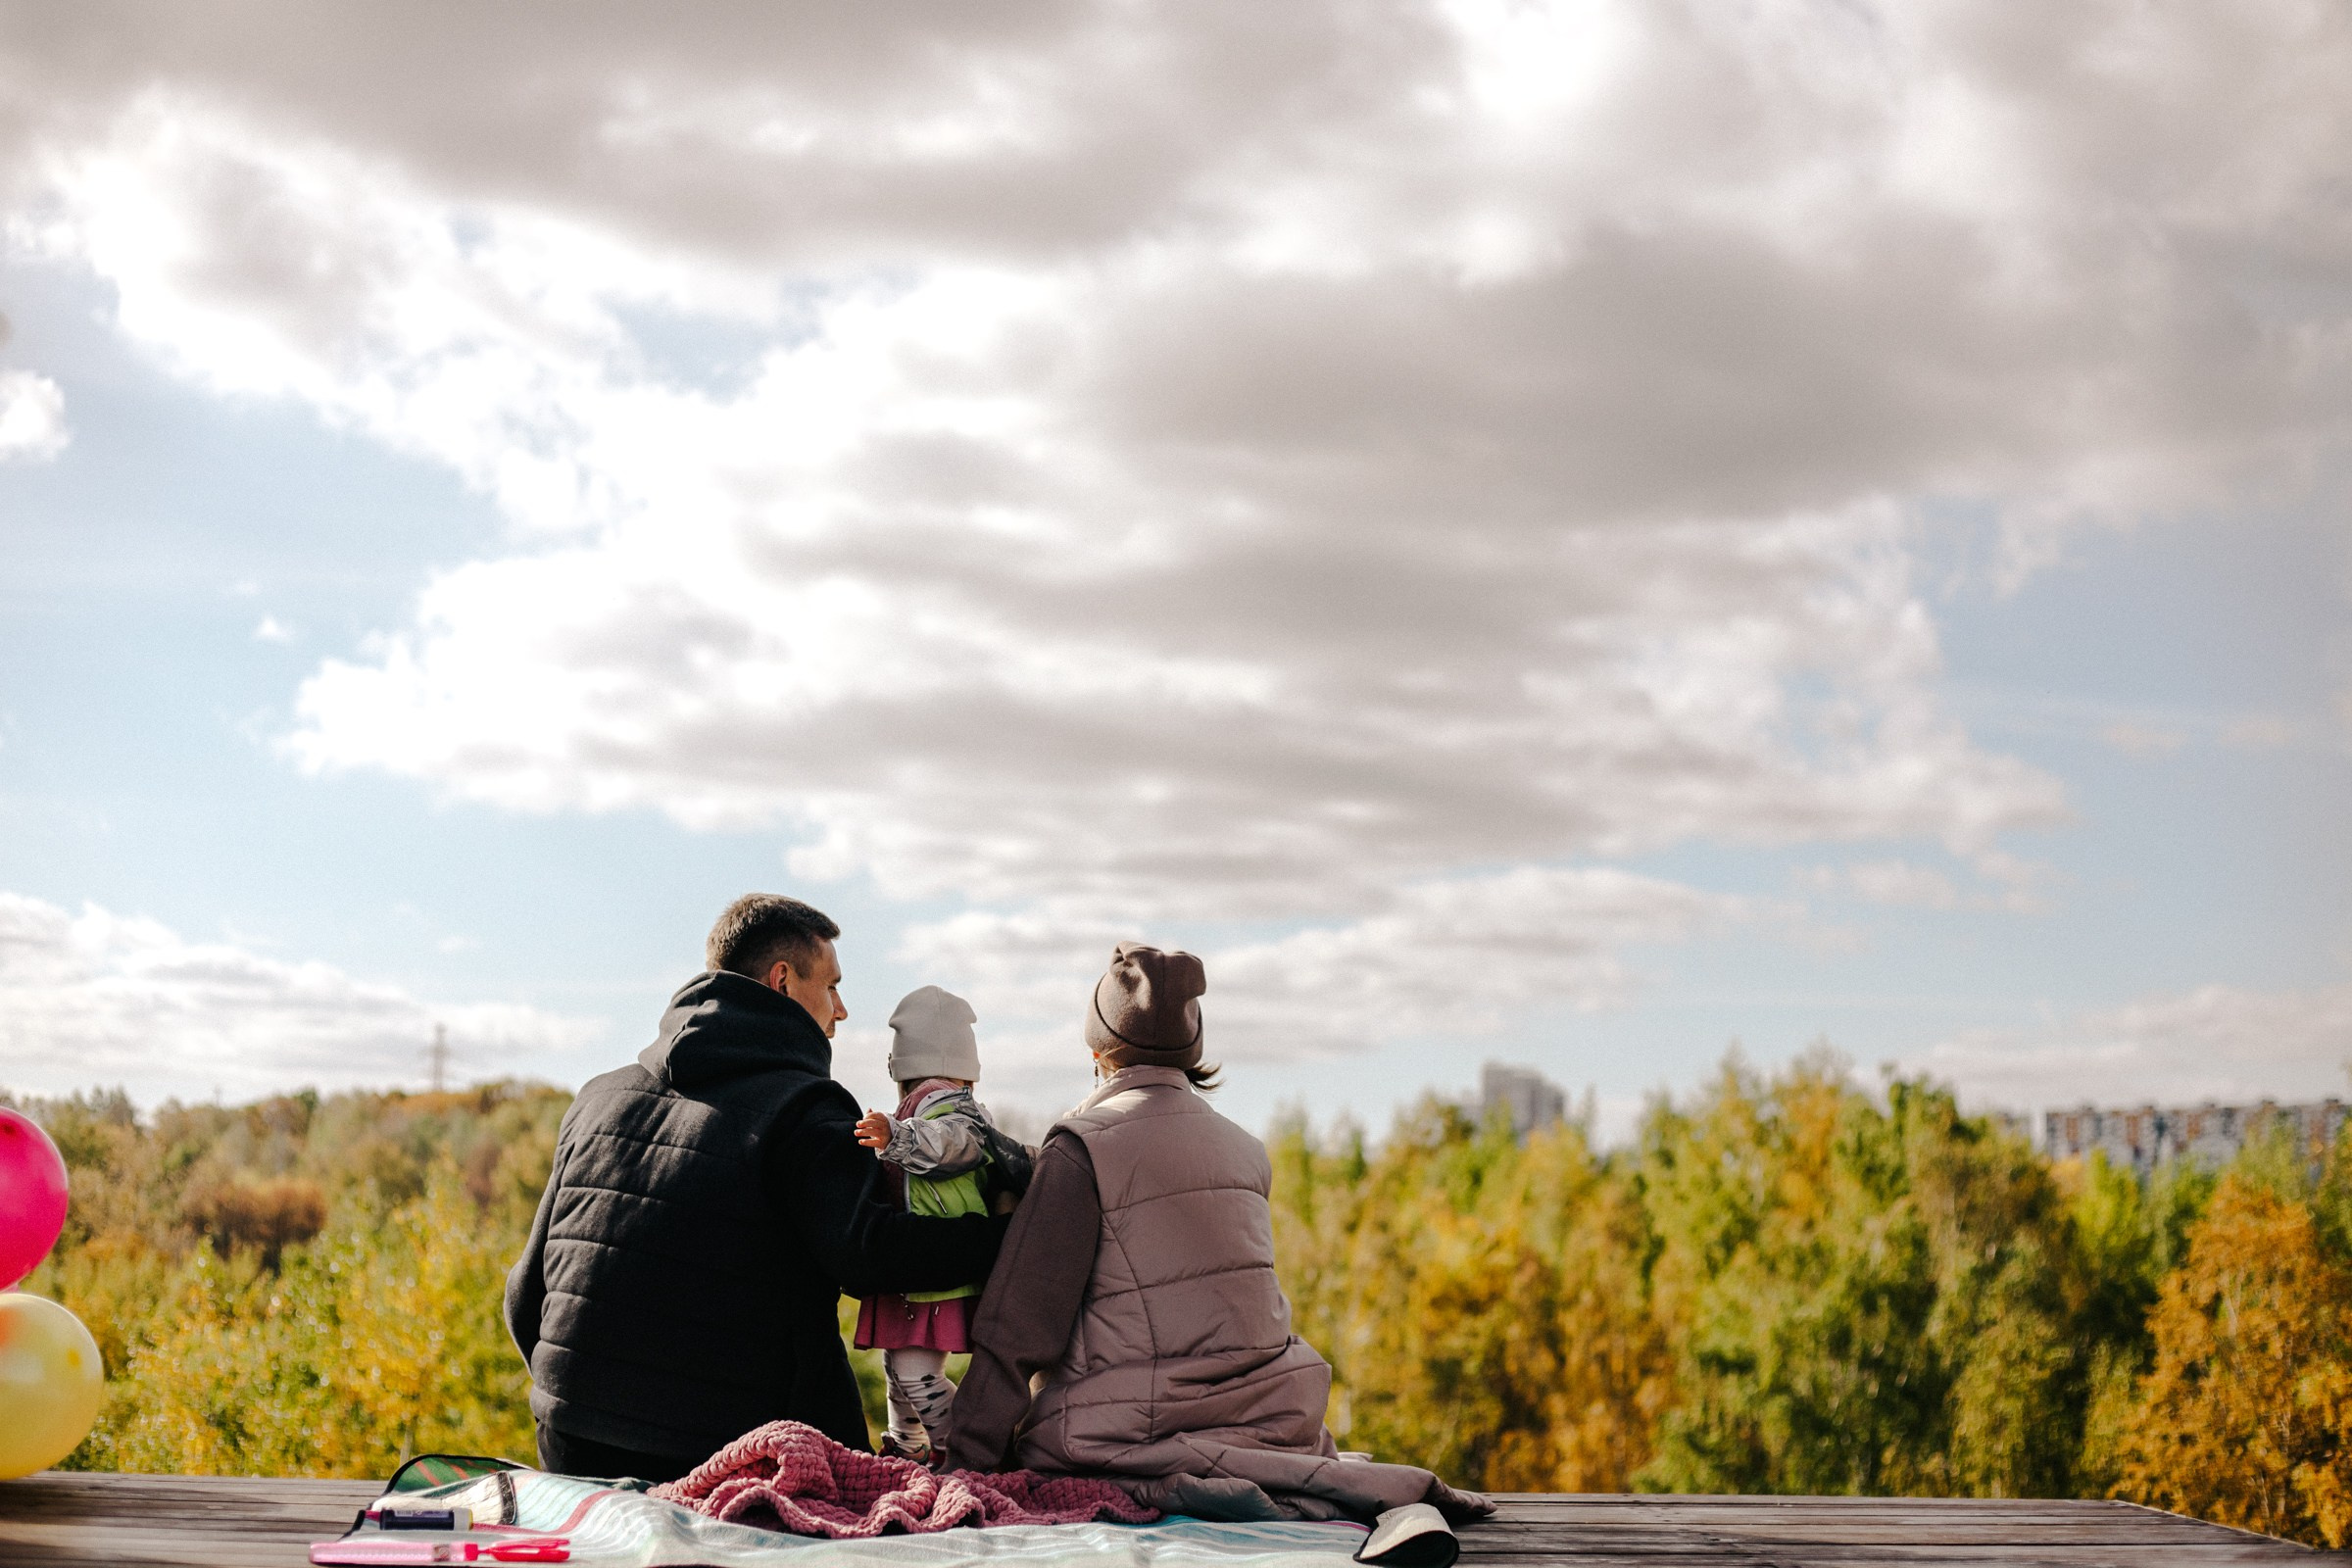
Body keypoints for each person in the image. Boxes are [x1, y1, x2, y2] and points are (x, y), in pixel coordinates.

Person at [949, 943, 1492, 1525]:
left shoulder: (1082, 1149)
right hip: (1275, 1421)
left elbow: (1019, 1328)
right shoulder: (1244, 1149)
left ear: (1097, 1048)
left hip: (1128, 1430)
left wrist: (965, 1466)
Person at [504, 895, 1006, 1482]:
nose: (841, 1011)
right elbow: (872, 1255)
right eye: (833, 986)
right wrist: (1009, 1234)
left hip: (571, 1446)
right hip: (735, 1460)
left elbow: (524, 1293)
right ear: (784, 981)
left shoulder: (597, 1098)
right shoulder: (805, 1106)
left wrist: (581, 1402)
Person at [849, 985, 1035, 1464]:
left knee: (914, 1371)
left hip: (938, 1269)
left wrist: (899, 1137)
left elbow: (954, 1144)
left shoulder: (950, 1108)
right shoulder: (921, 1108)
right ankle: (907, 1444)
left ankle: (967, 1454)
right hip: (923, 1264)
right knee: (898, 1366)